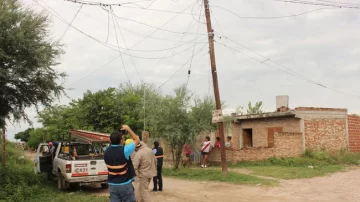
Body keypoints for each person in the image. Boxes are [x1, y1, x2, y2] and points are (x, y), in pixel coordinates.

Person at [104, 125, 140, 202]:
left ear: (110, 141)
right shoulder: (125, 150)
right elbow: (137, 140)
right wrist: (128, 129)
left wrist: (121, 138)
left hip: (112, 185)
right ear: (121, 141)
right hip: (125, 184)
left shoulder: (106, 152)